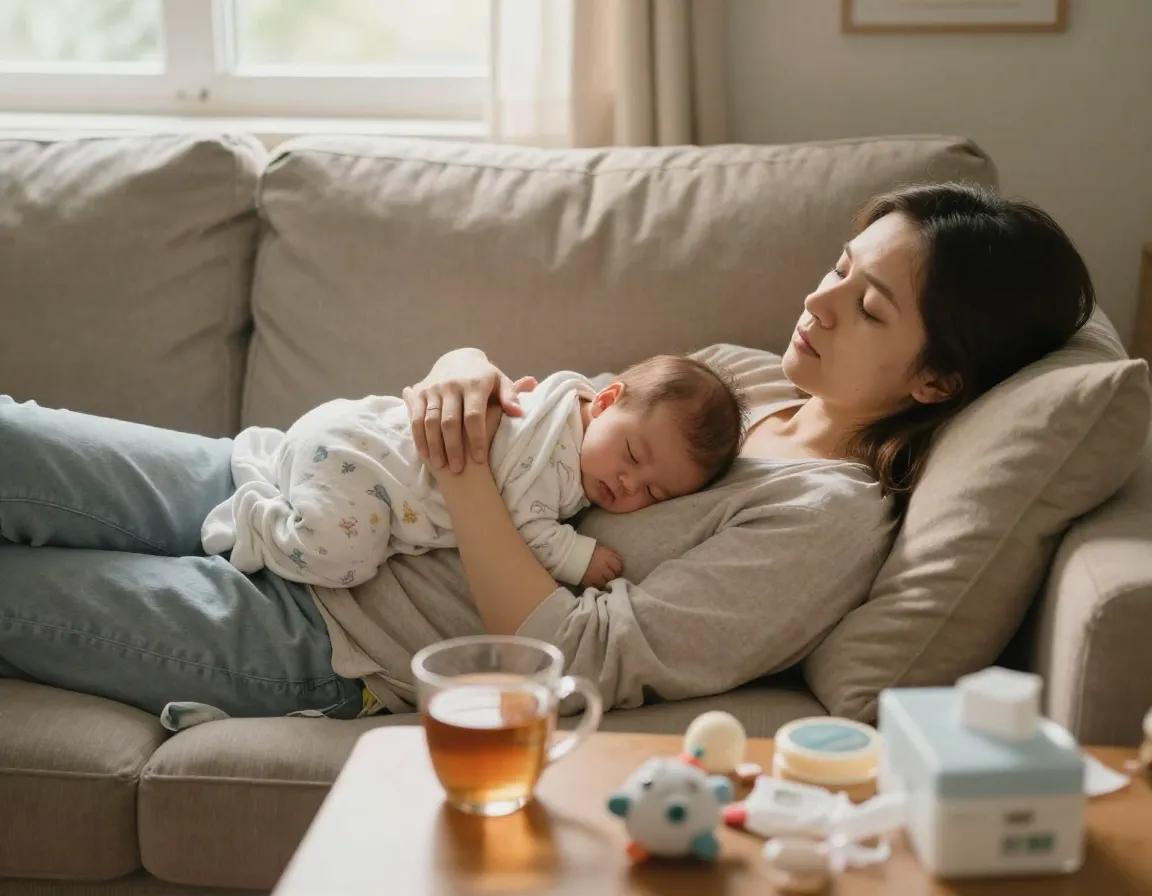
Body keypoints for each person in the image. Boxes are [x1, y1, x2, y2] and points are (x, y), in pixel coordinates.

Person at [0, 182, 1095, 724]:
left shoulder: (825, 521)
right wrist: (465, 368)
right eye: (837, 264)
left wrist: (467, 474)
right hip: (271, 474)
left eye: (865, 303)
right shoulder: (746, 377)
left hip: (323, 631)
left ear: (937, 380)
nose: (816, 301)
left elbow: (584, 658)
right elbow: (556, 420)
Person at [200, 355, 746, 591]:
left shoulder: (561, 400)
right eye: (631, 453)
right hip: (364, 465)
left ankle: (278, 472)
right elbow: (520, 526)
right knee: (345, 559)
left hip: (351, 438)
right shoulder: (554, 455)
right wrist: (579, 558)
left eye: (652, 491)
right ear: (604, 401)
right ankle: (258, 524)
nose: (628, 484)